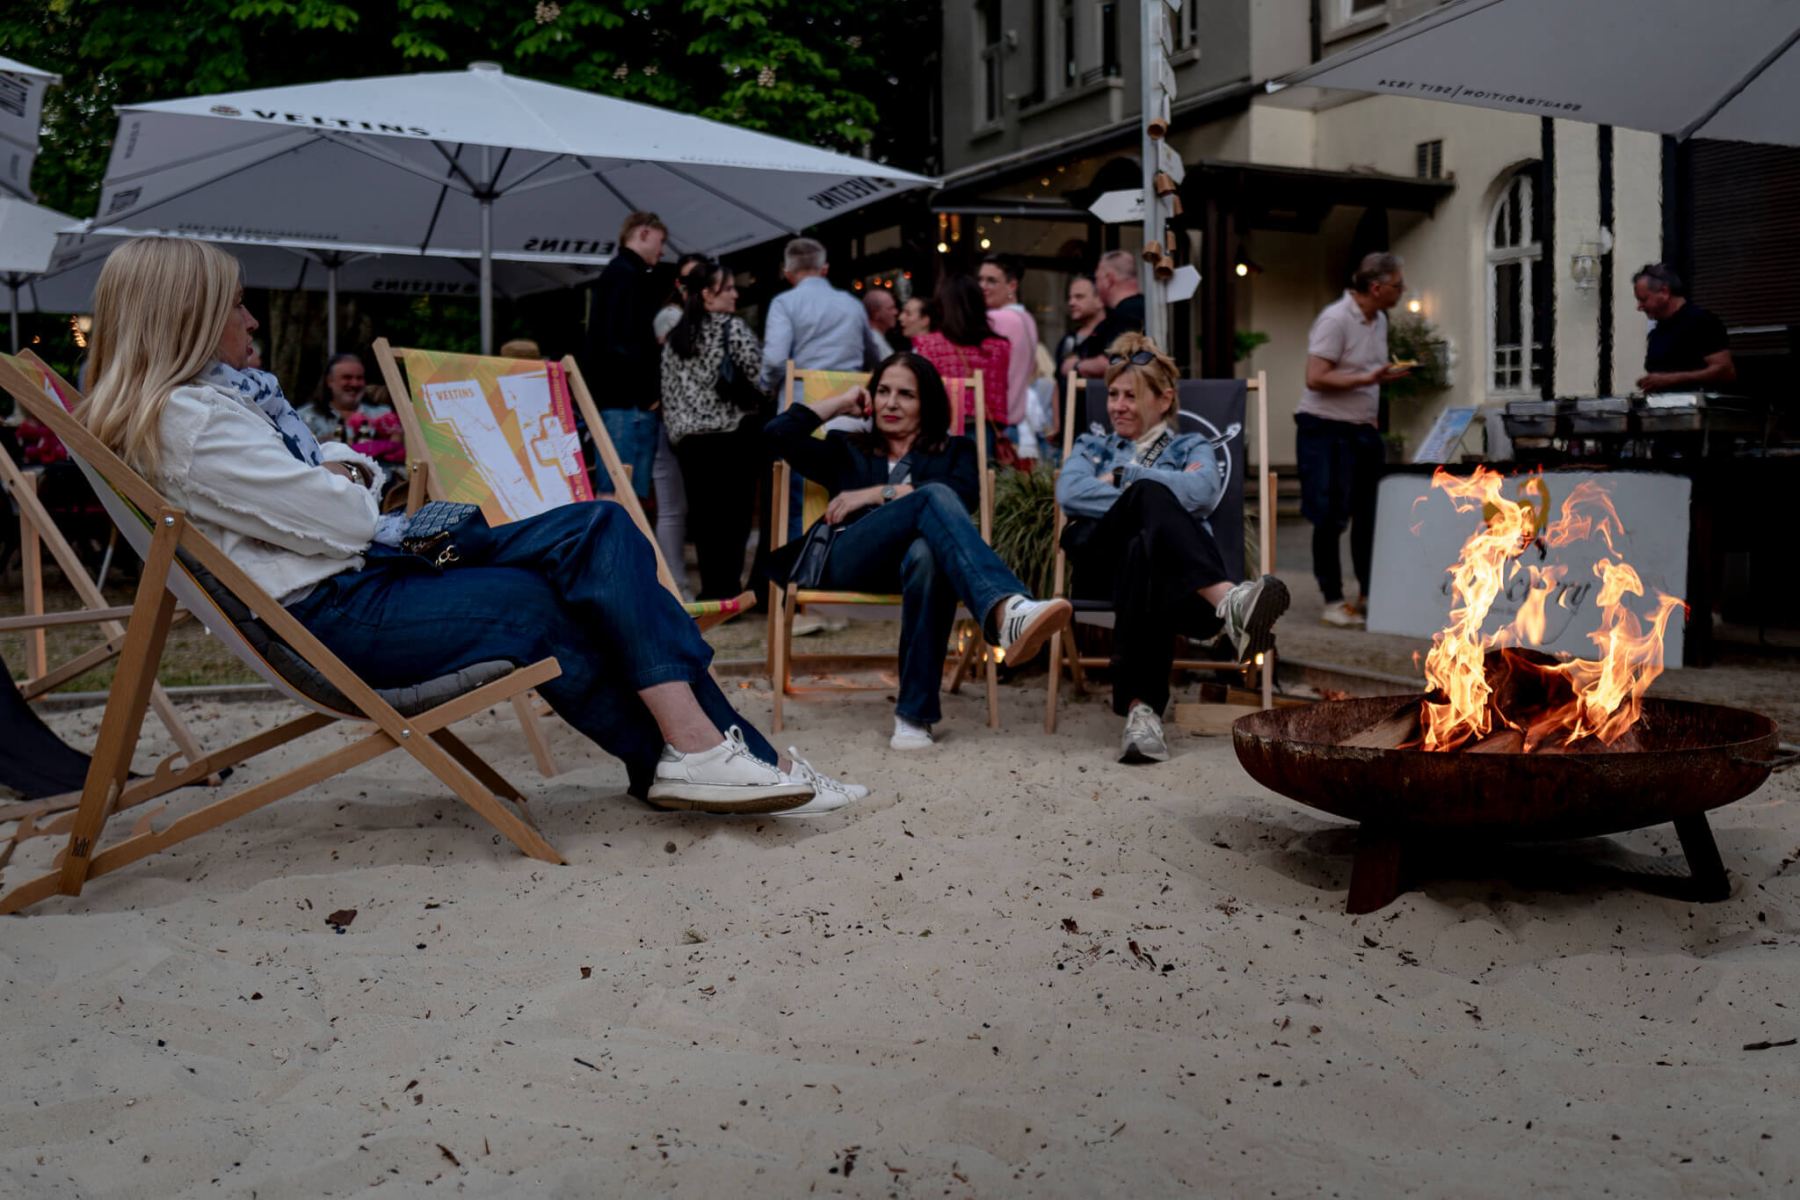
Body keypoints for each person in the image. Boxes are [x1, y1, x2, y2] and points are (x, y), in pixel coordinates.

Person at [81, 236, 863, 815]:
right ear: (188, 317)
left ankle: (717, 758)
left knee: (598, 532)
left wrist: (341, 473)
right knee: (555, 596)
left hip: (365, 577)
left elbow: (339, 472)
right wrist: (345, 476)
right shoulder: (193, 420)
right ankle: (718, 758)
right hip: (339, 611)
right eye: (237, 304)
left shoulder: (216, 403)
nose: (252, 318)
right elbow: (344, 511)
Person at [765, 352, 1072, 750]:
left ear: (927, 404)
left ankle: (913, 716)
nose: (891, 403)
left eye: (906, 395)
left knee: (928, 552)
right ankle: (1005, 609)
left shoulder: (956, 451)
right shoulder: (847, 447)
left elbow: (965, 495)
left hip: (915, 570)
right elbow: (776, 435)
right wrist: (841, 403)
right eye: (883, 391)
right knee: (933, 496)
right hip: (849, 557)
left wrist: (877, 493)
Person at [1056, 334, 1290, 764]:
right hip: (1102, 571)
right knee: (1148, 496)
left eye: (1131, 395)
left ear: (1164, 400)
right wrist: (1141, 487)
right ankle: (1229, 602)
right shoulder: (1093, 446)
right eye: (1112, 394)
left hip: (1171, 588)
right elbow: (1071, 492)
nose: (1117, 406)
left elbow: (1203, 490)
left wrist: (1121, 478)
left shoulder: (1190, 446)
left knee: (1144, 551)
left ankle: (1141, 713)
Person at [1298, 251, 1411, 629]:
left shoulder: (1380, 320)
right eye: (1397, 285)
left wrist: (1379, 379)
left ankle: (1367, 595)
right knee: (1329, 516)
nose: (1402, 290)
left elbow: (1365, 372)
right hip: (1325, 428)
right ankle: (1332, 599)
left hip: (1362, 429)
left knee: (1369, 515)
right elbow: (1315, 377)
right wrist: (1369, 379)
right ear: (1376, 287)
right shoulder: (1335, 319)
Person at [661, 258, 769, 601]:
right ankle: (728, 590)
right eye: (729, 288)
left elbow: (669, 391)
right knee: (734, 518)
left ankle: (712, 591)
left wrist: (679, 431)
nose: (735, 295)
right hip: (731, 434)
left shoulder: (677, 335)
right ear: (707, 294)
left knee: (705, 520)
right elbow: (761, 378)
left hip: (690, 441)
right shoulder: (732, 328)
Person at [583, 211, 668, 500]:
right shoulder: (624, 276)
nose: (662, 250)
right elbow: (619, 341)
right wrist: (647, 387)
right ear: (643, 233)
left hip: (626, 402)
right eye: (660, 241)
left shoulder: (622, 274)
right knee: (619, 494)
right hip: (625, 403)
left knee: (624, 494)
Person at [759, 237, 886, 392]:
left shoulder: (783, 304)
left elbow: (774, 361)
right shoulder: (853, 304)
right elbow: (872, 356)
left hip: (802, 400)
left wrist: (766, 385)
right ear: (825, 269)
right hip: (848, 397)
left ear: (787, 273)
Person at [909, 275, 1011, 430]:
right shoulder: (1001, 347)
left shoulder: (927, 345)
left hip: (941, 430)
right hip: (987, 430)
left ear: (943, 306)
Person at [1633, 263, 1736, 393]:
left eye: (1643, 299)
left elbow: (1725, 370)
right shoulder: (1657, 332)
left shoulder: (1702, 321)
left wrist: (1670, 379)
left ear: (1664, 292)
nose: (1639, 307)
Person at [976, 254, 1040, 435]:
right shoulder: (1027, 318)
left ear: (1012, 286)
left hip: (996, 425)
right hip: (1016, 423)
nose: (982, 286)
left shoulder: (995, 319)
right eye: (980, 279)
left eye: (991, 281)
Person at [1071, 251, 1145, 379]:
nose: (1096, 286)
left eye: (1097, 279)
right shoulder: (1143, 308)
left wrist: (1077, 366)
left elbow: (1116, 362)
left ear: (1109, 280)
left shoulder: (1127, 314)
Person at [299, 353, 391, 442]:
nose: (354, 384)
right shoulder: (304, 417)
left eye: (359, 378)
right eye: (347, 378)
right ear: (329, 381)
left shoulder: (383, 415)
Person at [864, 287, 900, 358]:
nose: (895, 312)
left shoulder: (877, 339)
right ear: (876, 313)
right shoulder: (873, 342)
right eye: (890, 308)